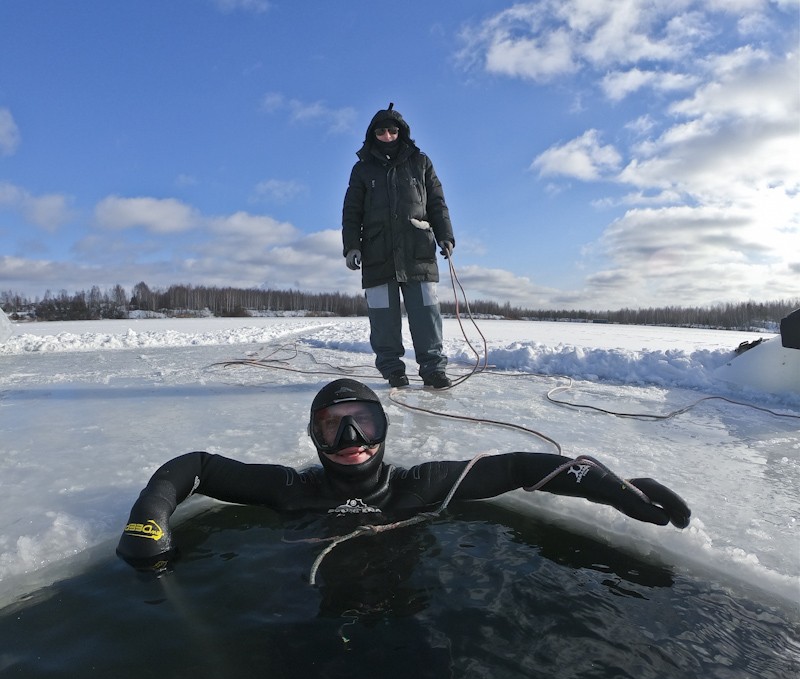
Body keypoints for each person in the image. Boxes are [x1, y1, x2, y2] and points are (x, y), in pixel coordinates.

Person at [116, 379, 691, 571]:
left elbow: (523, 466)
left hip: (408, 621)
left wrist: (620, 490)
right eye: (333, 427)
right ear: (314, 437)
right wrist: (149, 518)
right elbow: (194, 467)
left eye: (361, 423)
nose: (351, 442)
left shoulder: (420, 485)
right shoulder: (289, 488)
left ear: (383, 427)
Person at [342, 104, 455, 390]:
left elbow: (437, 203)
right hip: (377, 253)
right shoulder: (362, 168)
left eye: (393, 130)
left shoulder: (421, 162)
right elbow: (351, 211)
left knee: (426, 314)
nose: (388, 135)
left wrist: (446, 236)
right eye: (381, 130)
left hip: (418, 250)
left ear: (401, 132)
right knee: (383, 319)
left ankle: (432, 369)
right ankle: (393, 370)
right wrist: (352, 246)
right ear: (373, 134)